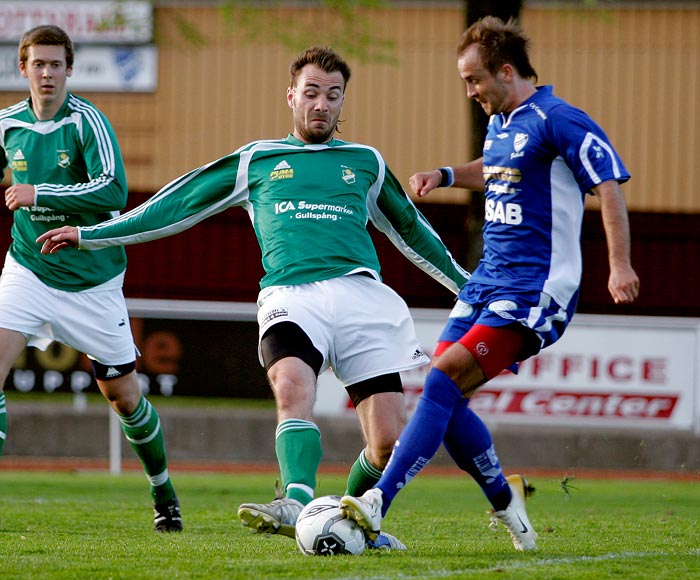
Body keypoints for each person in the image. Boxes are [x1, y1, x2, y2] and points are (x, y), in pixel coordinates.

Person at [36, 46, 471, 549]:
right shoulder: (259, 158)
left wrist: (471, 290)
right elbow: (176, 204)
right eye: (311, 93)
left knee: (387, 441)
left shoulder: (365, 162)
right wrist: (93, 233)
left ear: (342, 102)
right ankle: (296, 498)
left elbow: (415, 234)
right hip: (292, 294)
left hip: (361, 297)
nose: (321, 105)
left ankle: (349, 520)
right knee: (291, 388)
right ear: (291, 96)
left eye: (333, 96)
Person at [339, 15, 640, 552]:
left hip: (535, 290)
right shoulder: (502, 122)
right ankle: (507, 501)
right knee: (446, 393)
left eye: (474, 80)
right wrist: (447, 175)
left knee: (441, 381)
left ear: (505, 71)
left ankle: (377, 501)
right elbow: (497, 168)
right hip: (486, 281)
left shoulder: (561, 119)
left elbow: (609, 186)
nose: (470, 91)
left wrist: (621, 266)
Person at [0, 25, 182, 532]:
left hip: (92, 281)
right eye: (38, 63)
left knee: (123, 396)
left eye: (56, 64)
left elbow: (113, 191)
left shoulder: (87, 123)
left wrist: (41, 194)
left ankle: (162, 489)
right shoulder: (6, 124)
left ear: (69, 70)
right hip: (28, 270)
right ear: (23, 69)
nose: (47, 73)